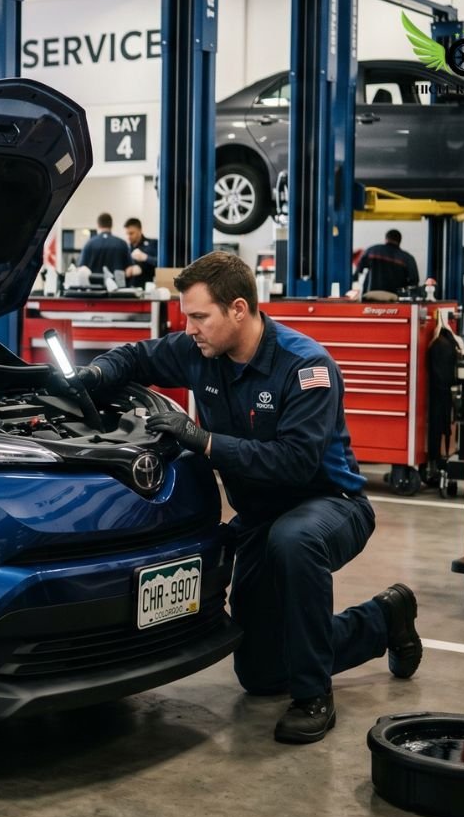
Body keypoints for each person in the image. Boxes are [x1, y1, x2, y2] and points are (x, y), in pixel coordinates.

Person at [70, 252, 422, 744]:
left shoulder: (306, 367)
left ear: (238, 309)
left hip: (330, 504)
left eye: (199, 316)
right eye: (186, 317)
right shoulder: (200, 350)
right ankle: (384, 619)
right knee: (260, 673)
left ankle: (313, 697)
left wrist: (204, 442)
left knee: (293, 542)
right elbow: (135, 357)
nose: (189, 328)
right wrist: (93, 375)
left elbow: (295, 463)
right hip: (261, 515)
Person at [355, 229, 420, 295]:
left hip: (371, 295)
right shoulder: (408, 258)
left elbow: (359, 271)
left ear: (386, 239)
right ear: (400, 241)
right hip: (395, 297)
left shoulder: (372, 251)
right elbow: (414, 281)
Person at [78, 213, 132, 280]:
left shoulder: (89, 244)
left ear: (98, 225)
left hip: (94, 285)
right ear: (111, 225)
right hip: (117, 285)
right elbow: (129, 270)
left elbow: (82, 268)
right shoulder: (122, 244)